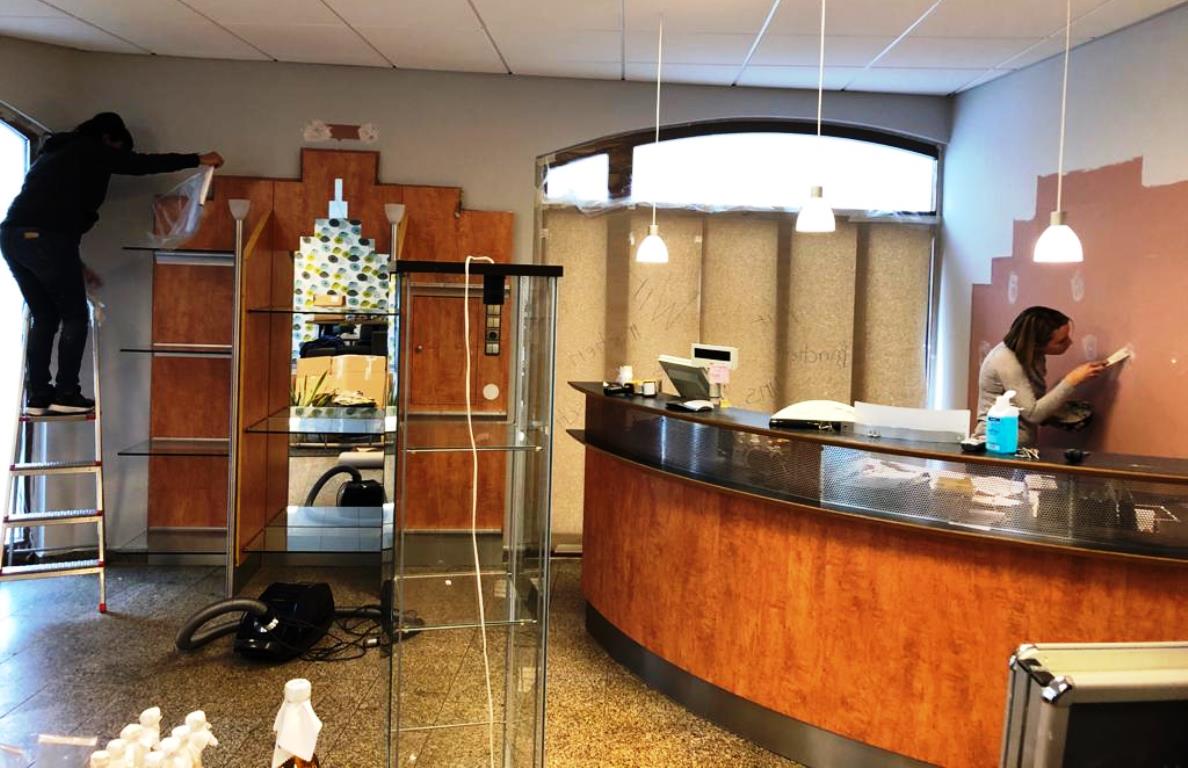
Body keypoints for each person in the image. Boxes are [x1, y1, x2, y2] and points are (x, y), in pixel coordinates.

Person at [1, 112, 223, 414]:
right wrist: (197, 159)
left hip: (14, 237)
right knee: (74, 315)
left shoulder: (56, 153)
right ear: (108, 138)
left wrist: (77, 267)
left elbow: (52, 217)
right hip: (47, 239)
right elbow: (140, 165)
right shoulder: (90, 148)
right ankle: (66, 393)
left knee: (45, 316)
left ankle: (38, 396)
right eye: (117, 151)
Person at [974, 305, 1106, 447]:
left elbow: (1029, 405)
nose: (1069, 343)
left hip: (1017, 445)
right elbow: (1033, 414)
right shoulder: (1005, 361)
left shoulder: (1034, 355)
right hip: (997, 445)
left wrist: (1055, 413)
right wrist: (1072, 380)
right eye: (1061, 341)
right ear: (1036, 344)